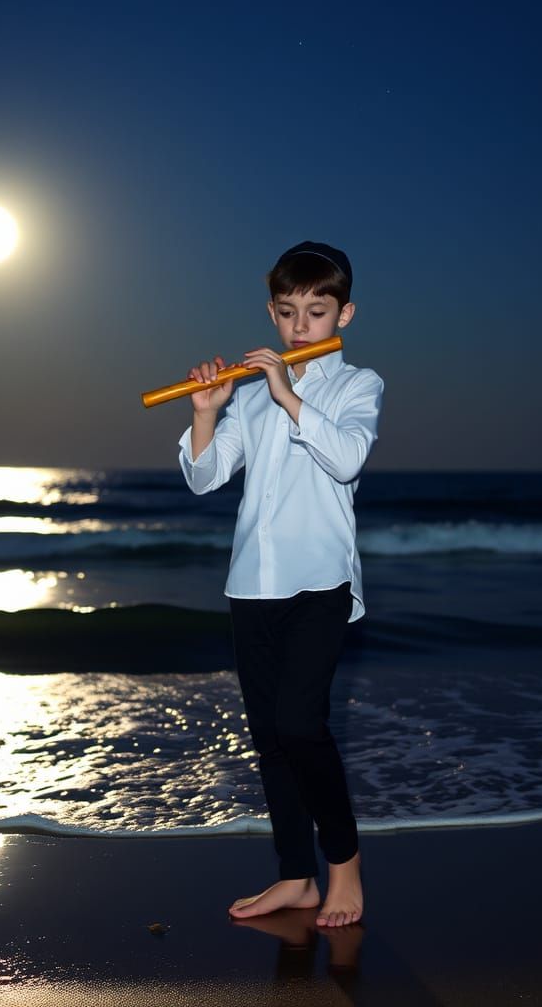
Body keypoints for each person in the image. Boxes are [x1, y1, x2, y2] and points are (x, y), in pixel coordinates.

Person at [177, 240, 384, 928]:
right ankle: (296, 875)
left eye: (317, 313)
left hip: (319, 582)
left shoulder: (359, 386)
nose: (301, 327)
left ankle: (343, 864)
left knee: (302, 725)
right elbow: (206, 478)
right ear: (272, 311)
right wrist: (208, 410)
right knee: (268, 734)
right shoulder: (251, 398)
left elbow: (348, 459)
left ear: (343, 315)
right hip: (251, 585)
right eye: (289, 312)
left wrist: (287, 394)